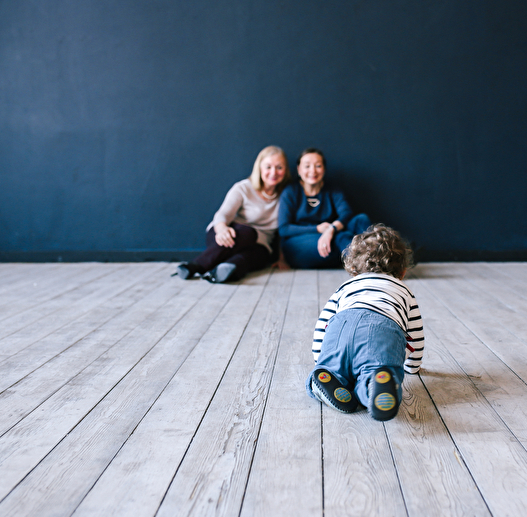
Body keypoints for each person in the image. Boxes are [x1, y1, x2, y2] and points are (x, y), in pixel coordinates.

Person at [306, 224, 425, 422]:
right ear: (403, 270)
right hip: (382, 330)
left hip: (340, 327)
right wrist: (413, 366)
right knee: (376, 369)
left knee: (334, 367)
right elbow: (416, 335)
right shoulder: (403, 290)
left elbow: (323, 323)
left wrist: (321, 358)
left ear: (353, 267)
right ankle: (373, 386)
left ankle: (327, 373)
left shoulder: (346, 286)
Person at [175, 145, 291, 283]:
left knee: (257, 257)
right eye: (268, 167)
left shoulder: (288, 194)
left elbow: (284, 229)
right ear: (259, 168)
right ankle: (196, 266)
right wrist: (222, 229)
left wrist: (282, 258)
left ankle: (224, 270)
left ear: (285, 170)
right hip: (230, 235)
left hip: (260, 245)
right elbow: (223, 213)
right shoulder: (244, 187)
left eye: (279, 167)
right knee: (249, 233)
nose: (273, 172)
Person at [278, 148, 370, 269]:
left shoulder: (332, 189)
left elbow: (346, 213)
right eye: (307, 166)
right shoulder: (290, 192)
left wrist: (331, 229)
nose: (313, 171)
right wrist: (317, 229)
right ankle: (365, 262)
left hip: (332, 234)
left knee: (361, 219)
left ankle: (363, 257)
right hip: (302, 242)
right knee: (342, 237)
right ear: (299, 169)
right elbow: (284, 229)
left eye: (318, 166)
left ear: (324, 169)